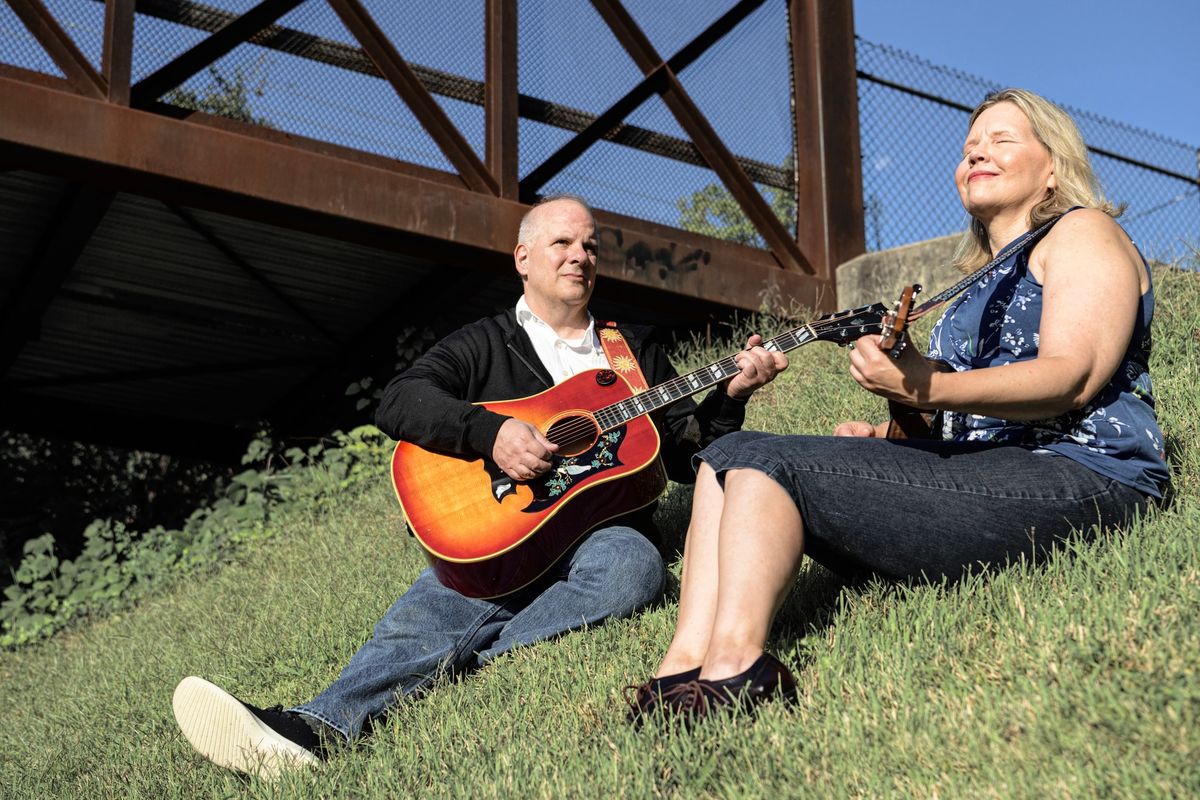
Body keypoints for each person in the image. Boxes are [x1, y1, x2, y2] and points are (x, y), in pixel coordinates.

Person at [171, 194, 787, 776]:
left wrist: (731, 395)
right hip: (508, 518)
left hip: (605, 527)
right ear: (523, 259)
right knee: (445, 595)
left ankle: (465, 664)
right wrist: (488, 432)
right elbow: (400, 401)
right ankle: (312, 728)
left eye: (591, 246)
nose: (580, 256)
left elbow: (684, 456)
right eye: (563, 243)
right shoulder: (485, 343)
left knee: (635, 569)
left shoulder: (632, 349)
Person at [626, 88, 1170, 724]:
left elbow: (1070, 378)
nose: (978, 153)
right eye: (970, 147)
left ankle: (736, 671)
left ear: (1054, 165)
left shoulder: (1083, 233)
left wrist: (924, 387)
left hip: (1084, 474)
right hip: (996, 471)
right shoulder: (972, 282)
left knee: (772, 462)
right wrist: (895, 422)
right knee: (729, 453)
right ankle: (680, 673)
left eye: (1002, 140)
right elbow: (956, 419)